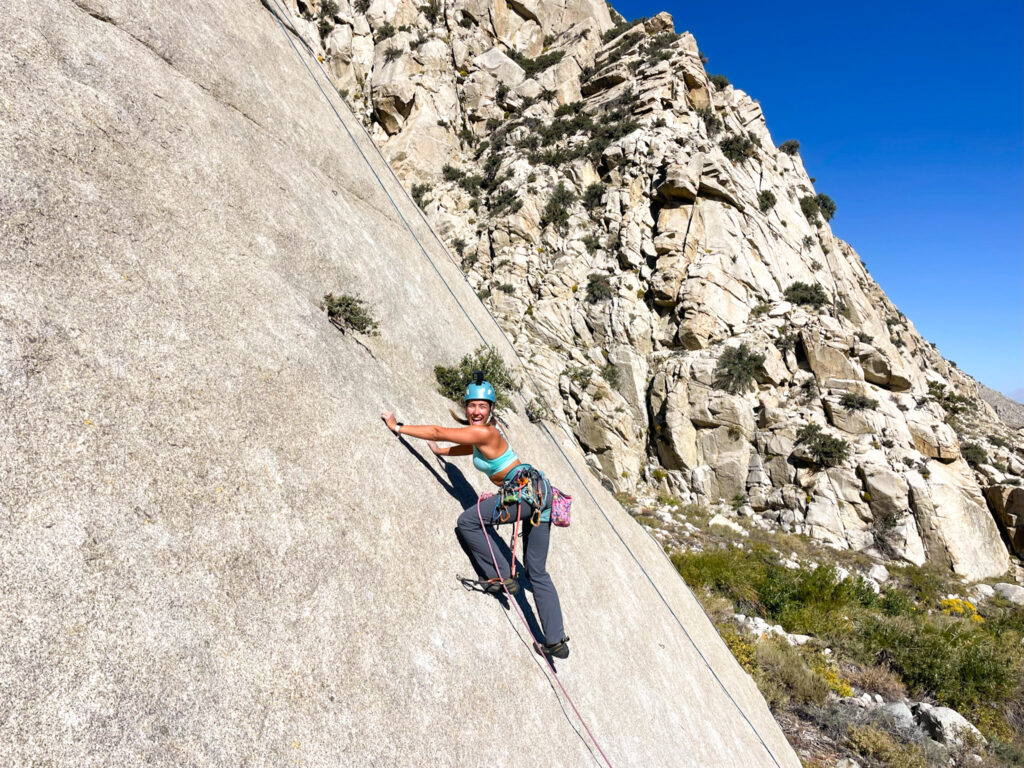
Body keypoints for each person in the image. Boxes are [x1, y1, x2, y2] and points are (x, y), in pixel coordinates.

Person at [381, 375, 569, 659]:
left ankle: (501, 574)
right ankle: (555, 640)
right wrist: (442, 452)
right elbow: (468, 446)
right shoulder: (487, 433)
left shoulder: (484, 432)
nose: (476, 411)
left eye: (482, 406)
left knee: (468, 521)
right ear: (466, 406)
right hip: (541, 494)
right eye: (472, 406)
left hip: (523, 494)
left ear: (490, 407)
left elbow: (436, 430)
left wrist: (398, 426)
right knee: (537, 571)